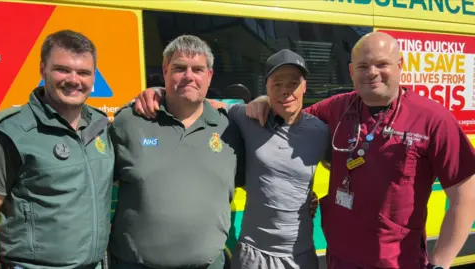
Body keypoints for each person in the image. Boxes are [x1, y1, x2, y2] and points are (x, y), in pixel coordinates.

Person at [245, 32, 475, 269]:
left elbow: (465, 196)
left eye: (381, 64)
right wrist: (266, 100)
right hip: (340, 258)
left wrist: (441, 263)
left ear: (400, 65)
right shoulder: (336, 108)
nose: (372, 72)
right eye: (363, 66)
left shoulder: (433, 119)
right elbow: (291, 116)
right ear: (352, 71)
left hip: (397, 261)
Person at [134, 49, 330, 269]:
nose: (285, 91)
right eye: (277, 84)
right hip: (253, 255)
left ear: (304, 86)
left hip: (299, 255)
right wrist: (159, 92)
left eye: (293, 83)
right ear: (266, 86)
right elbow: (199, 103)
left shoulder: (321, 131)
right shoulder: (248, 117)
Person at [108, 35, 245, 269]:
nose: (189, 76)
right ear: (165, 71)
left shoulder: (232, 129)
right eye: (179, 68)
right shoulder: (129, 122)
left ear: (209, 76)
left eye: (198, 69)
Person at [0, 30, 114, 269]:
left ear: (93, 78)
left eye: (83, 73)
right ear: (42, 70)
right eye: (63, 69)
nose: (74, 80)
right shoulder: (12, 131)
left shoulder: (101, 126)